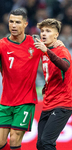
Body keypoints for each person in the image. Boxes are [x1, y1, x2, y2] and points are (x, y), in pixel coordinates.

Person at [0, 8, 63, 150]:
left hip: (25, 101)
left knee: (15, 139)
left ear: (25, 24)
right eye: (11, 22)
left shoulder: (35, 43)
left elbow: (52, 45)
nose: (13, 25)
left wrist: (59, 43)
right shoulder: (1, 44)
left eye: (17, 22)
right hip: (6, 101)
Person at [35, 19, 72, 150]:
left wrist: (47, 51)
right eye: (42, 31)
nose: (44, 33)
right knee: (40, 144)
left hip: (62, 103)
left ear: (56, 35)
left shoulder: (61, 50)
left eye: (48, 31)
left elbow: (65, 66)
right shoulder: (43, 51)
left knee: (47, 142)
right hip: (48, 102)